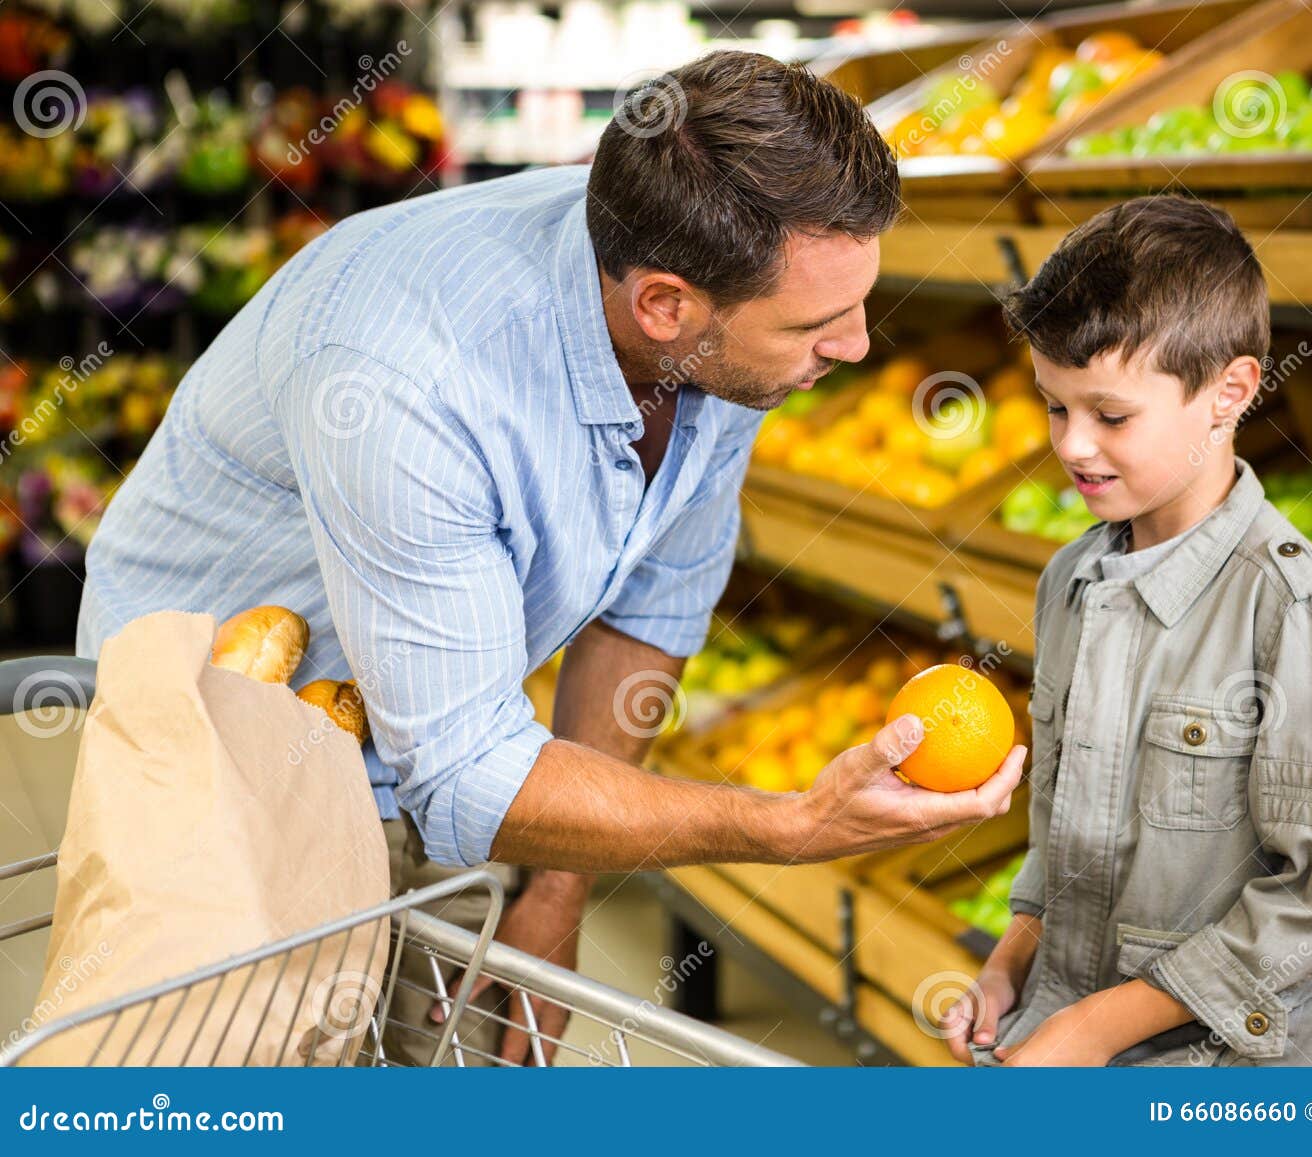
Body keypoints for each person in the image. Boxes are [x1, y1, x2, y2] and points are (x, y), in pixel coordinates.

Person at [76, 51, 1025, 1065]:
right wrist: (790, 823)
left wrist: (556, 882)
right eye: (817, 324)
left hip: (433, 713)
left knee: (441, 1058)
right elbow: (466, 774)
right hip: (223, 730)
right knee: (244, 1072)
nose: (857, 347)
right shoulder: (410, 380)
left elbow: (651, 601)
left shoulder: (717, 303)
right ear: (665, 306)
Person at [943, 196, 1312, 1067]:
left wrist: (1093, 1026)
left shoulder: (1291, 610)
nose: (1072, 446)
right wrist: (1010, 964)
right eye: (1053, 407)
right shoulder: (1069, 580)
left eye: (1110, 416)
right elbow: (1060, 832)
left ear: (1231, 391)